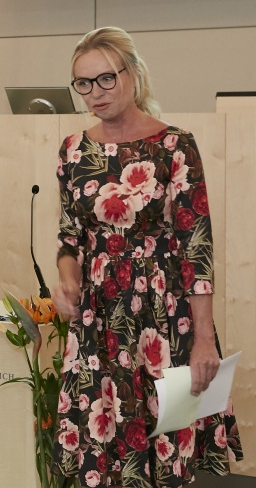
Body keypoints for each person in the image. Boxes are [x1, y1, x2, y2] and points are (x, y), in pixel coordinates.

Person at [51, 27, 243, 487]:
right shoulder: (73, 151)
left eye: (106, 78)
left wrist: (203, 339)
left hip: (163, 314)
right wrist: (68, 278)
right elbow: (69, 236)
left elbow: (197, 246)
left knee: (164, 447)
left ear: (133, 74)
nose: (95, 93)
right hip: (98, 319)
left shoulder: (174, 145)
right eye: (83, 83)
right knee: (103, 449)